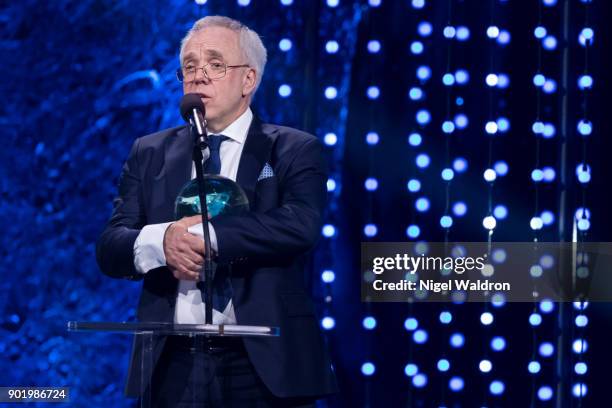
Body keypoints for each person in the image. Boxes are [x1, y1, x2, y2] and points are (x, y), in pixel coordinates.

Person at [96, 15, 338, 407]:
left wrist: (205, 237)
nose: (199, 76)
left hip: (261, 360)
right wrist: (163, 241)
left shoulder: (293, 148)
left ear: (249, 80)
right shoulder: (150, 151)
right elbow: (111, 245)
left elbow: (299, 225)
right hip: (170, 361)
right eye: (189, 67)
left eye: (215, 64)